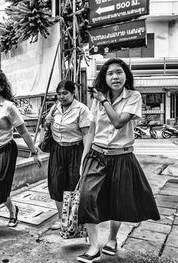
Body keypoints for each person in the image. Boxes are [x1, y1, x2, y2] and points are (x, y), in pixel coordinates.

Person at [77, 58, 160, 263]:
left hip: (122, 156)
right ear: (104, 77)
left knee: (118, 202)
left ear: (126, 75)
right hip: (97, 155)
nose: (115, 77)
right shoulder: (97, 99)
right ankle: (94, 246)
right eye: (110, 73)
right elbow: (93, 128)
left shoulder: (133, 96)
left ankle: (112, 239)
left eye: (119, 72)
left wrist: (104, 100)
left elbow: (118, 122)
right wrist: (84, 156)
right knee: (87, 197)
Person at [0, 69, 42, 244]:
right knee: (1, 189)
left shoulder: (8, 107)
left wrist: (34, 152)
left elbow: (23, 131)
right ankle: (13, 211)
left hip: (4, 150)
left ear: (1, 86)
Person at [43, 80, 91, 230]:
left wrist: (85, 157)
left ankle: (74, 219)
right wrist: (47, 121)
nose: (61, 97)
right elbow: (48, 126)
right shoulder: (55, 108)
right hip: (58, 150)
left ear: (73, 93)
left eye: (65, 93)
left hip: (76, 150)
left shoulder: (81, 110)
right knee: (56, 184)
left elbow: (86, 134)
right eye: (59, 94)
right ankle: (60, 218)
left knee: (74, 184)